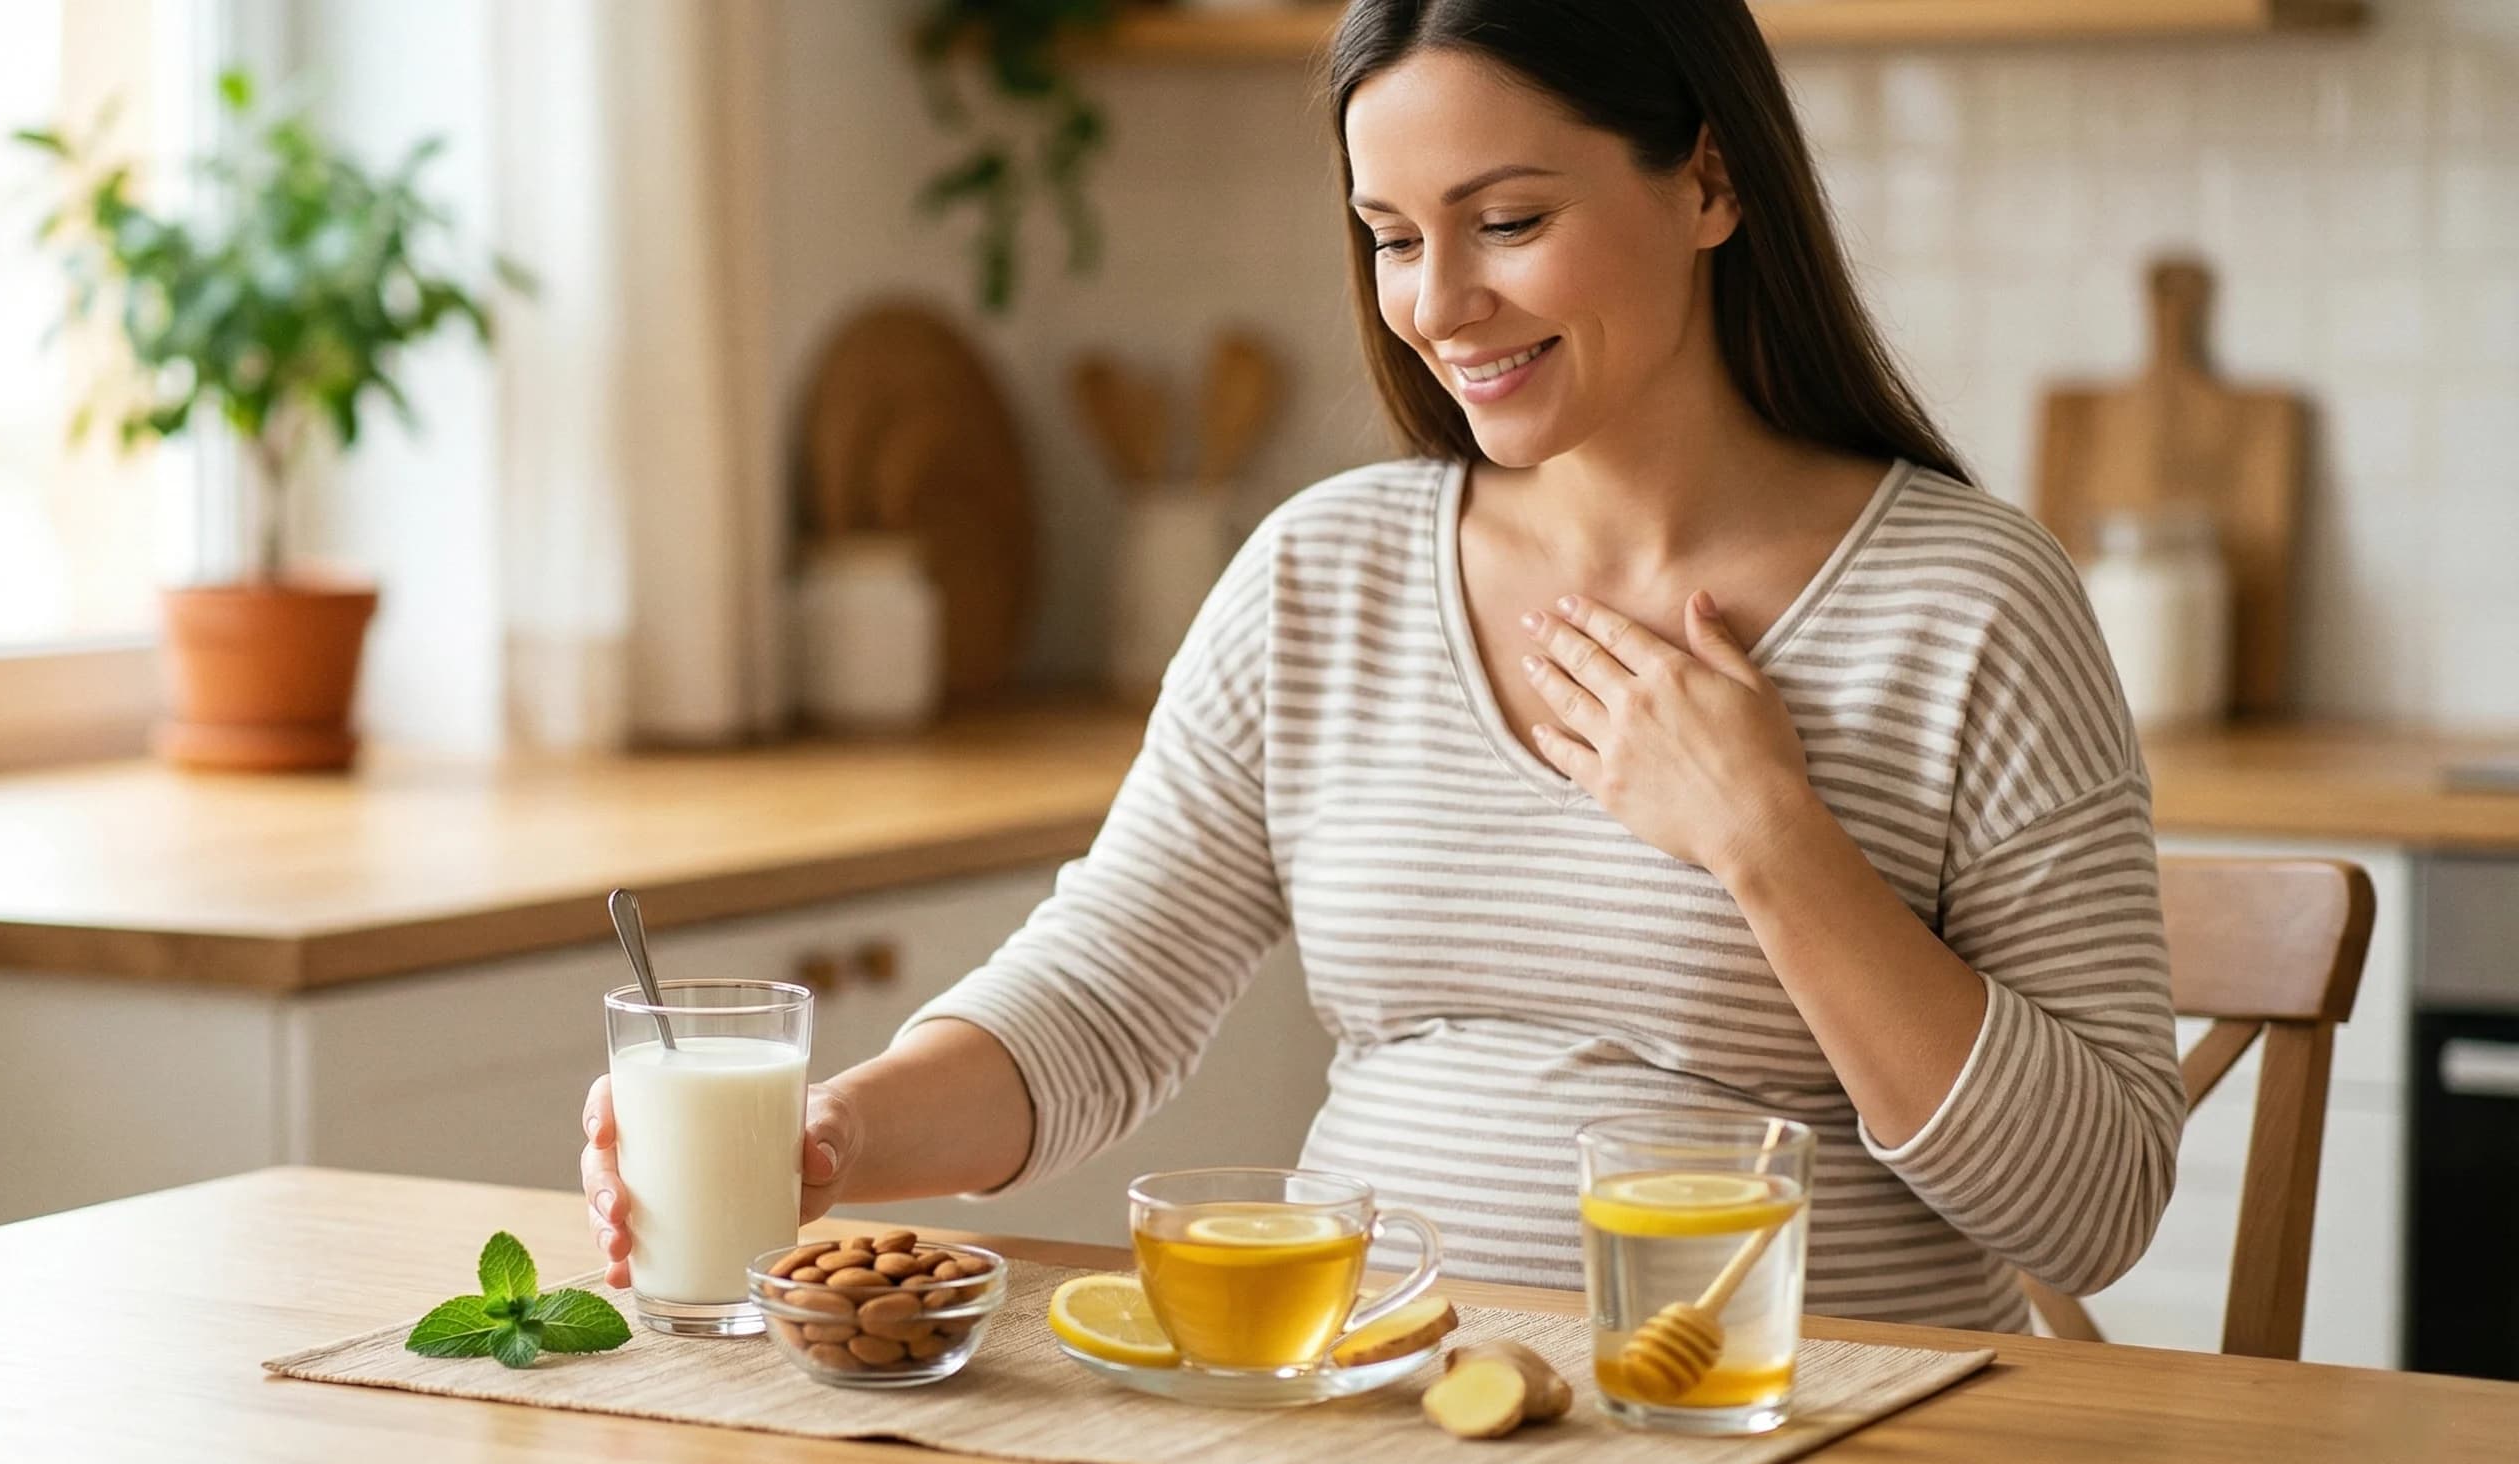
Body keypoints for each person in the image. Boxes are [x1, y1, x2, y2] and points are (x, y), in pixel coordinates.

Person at [581, 0, 2181, 1332]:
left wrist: (1774, 848)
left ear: (1709, 178)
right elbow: (1102, 995)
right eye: (1392, 236)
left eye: (1510, 221)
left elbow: (2096, 1207)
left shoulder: (1969, 603)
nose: (1437, 302)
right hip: (1369, 1428)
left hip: (1800, 1451)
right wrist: (836, 1134)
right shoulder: (1322, 573)